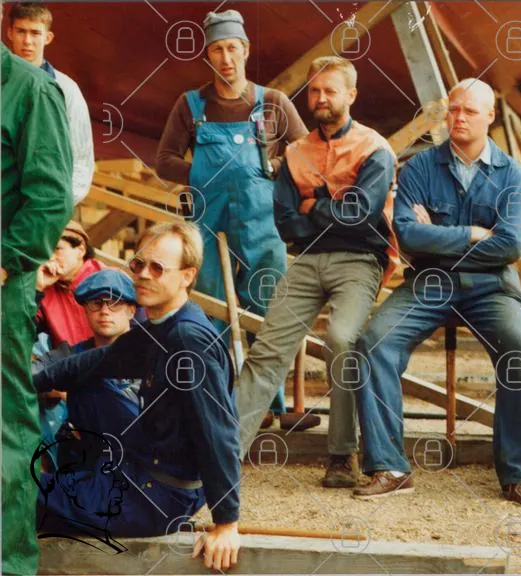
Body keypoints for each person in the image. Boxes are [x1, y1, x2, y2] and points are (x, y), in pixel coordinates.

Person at [352, 79, 521, 504]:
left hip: (492, 287)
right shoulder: (419, 168)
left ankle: (518, 473)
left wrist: (437, 237)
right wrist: (472, 233)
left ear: (490, 116)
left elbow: (510, 246)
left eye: (470, 111)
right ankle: (389, 467)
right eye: (453, 109)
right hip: (429, 283)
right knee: (374, 343)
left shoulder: (511, 174)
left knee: (517, 350)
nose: (459, 118)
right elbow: (406, 235)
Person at [33, 222, 241, 571]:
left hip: (155, 497)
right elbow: (96, 361)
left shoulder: (186, 340)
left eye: (158, 268)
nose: (143, 274)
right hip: (140, 472)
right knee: (87, 379)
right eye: (138, 264)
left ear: (187, 276)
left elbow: (217, 431)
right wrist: (28, 381)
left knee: (21, 497)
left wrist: (226, 523)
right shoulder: (162, 327)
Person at [234, 56, 399, 488]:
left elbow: (361, 216)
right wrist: (331, 208)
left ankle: (342, 456)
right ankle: (224, 453)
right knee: (268, 348)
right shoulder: (295, 152)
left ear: (351, 95)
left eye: (330, 90)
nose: (321, 98)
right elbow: (285, 222)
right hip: (307, 259)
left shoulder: (375, 148)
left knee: (341, 340)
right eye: (314, 91)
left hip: (360, 260)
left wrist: (312, 206)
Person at [156, 9, 308, 427]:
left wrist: (275, 165)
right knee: (210, 306)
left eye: (232, 49)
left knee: (265, 306)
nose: (226, 58)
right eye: (217, 50)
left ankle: (268, 405)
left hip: (263, 223)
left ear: (246, 50)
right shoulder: (191, 105)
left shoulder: (273, 102)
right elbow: (164, 161)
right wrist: (203, 173)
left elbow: (306, 152)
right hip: (206, 222)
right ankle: (216, 398)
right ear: (208, 55)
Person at [0, 40, 73, 575]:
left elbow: (50, 196)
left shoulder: (30, 90)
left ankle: (9, 561)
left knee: (5, 427)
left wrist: (6, 263)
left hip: (2, 285)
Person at [34, 269, 140, 462]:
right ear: (85, 311)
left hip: (140, 462)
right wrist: (51, 391)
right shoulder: (70, 355)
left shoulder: (150, 353)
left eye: (115, 303)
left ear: (131, 311)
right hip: (87, 463)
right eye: (96, 304)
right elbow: (24, 377)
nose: (105, 311)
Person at [6, 2, 94, 205]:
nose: (27, 41)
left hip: (43, 208)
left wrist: (55, 207)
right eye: (21, 31)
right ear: (9, 33)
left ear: (48, 37)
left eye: (35, 33)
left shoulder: (67, 90)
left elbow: (82, 160)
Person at [35, 220, 105, 348]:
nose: (50, 258)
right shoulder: (45, 285)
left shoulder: (107, 278)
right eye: (45, 251)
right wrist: (38, 289)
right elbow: (21, 333)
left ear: (81, 250)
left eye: (57, 249)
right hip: (66, 359)